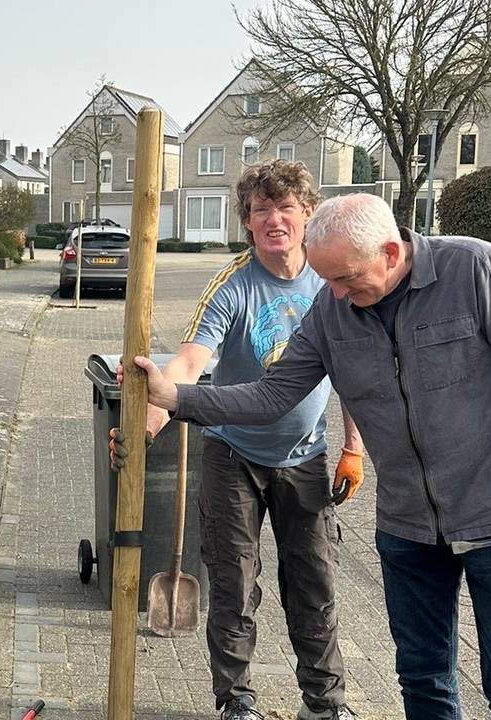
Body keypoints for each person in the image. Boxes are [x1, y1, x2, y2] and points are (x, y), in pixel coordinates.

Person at [125, 193, 491, 720]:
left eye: (346, 279)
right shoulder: (331, 307)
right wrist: (175, 400)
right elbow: (271, 395)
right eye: (327, 279)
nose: (335, 293)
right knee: (424, 681)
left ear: (389, 251)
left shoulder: (473, 268)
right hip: (408, 529)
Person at [112, 160, 361, 720]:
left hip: (305, 458)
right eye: (260, 210)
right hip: (233, 458)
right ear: (247, 223)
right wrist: (146, 427)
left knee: (314, 586)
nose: (274, 219)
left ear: (307, 214)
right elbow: (191, 362)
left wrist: (352, 448)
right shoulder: (232, 285)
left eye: (286, 208)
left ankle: (325, 706)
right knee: (234, 585)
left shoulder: (330, 280)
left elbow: (358, 373)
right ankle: (237, 702)